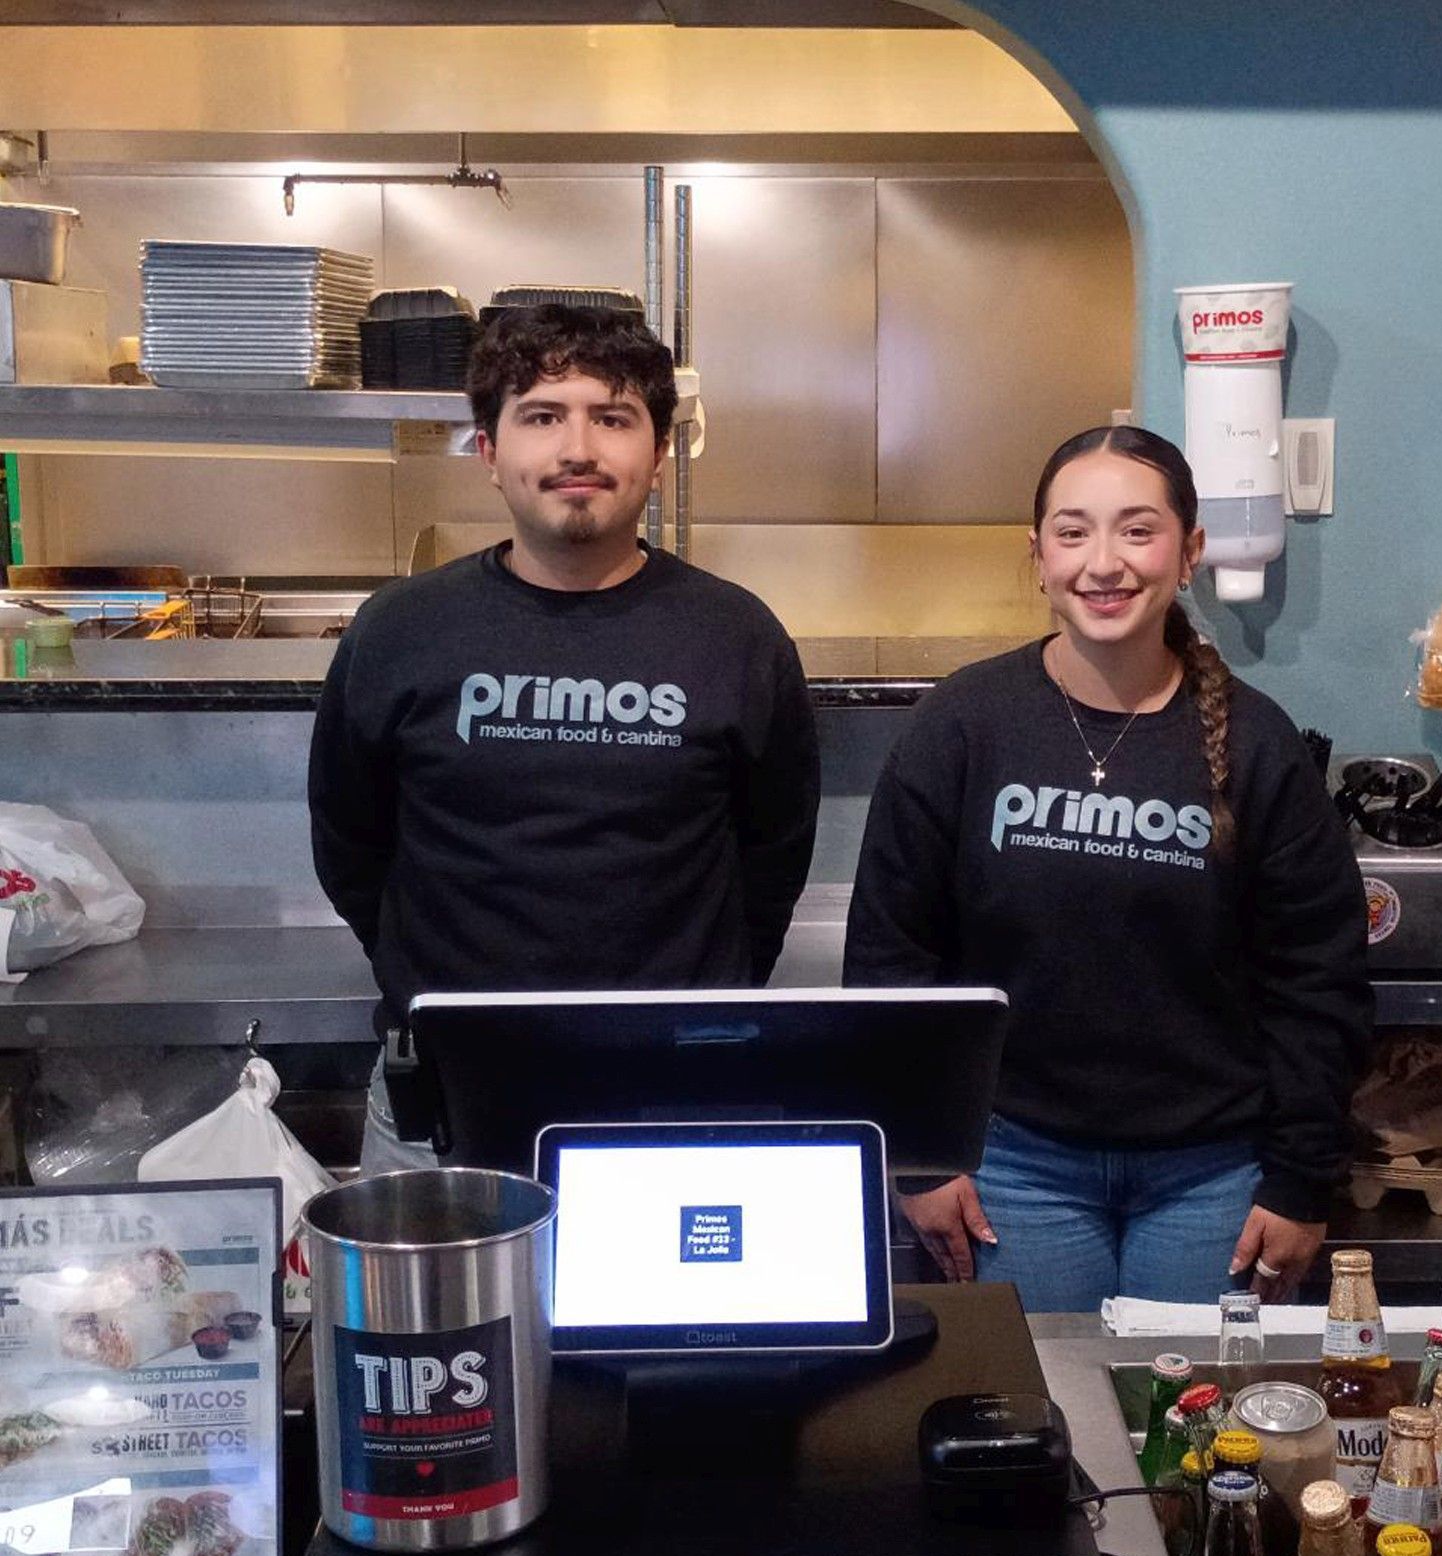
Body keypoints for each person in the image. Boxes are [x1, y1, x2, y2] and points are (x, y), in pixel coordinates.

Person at [843, 425, 1370, 1306]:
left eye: (1138, 530)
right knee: (1043, 1393)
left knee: (1189, 1397)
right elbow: (890, 958)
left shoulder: (1260, 744)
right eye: (1073, 531)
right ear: (1038, 555)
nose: (1103, 563)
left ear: (1190, 552)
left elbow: (1318, 980)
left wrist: (1301, 1178)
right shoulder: (963, 725)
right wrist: (919, 1156)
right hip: (1012, 1165)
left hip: (1213, 1176)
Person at [310, 304, 820, 1172]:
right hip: (444, 1102)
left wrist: (702, 1005)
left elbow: (772, 855)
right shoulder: (400, 630)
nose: (577, 449)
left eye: (612, 419)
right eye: (542, 416)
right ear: (488, 451)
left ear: (658, 454)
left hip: (670, 1098)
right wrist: (424, 982)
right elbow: (350, 842)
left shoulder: (736, 637)